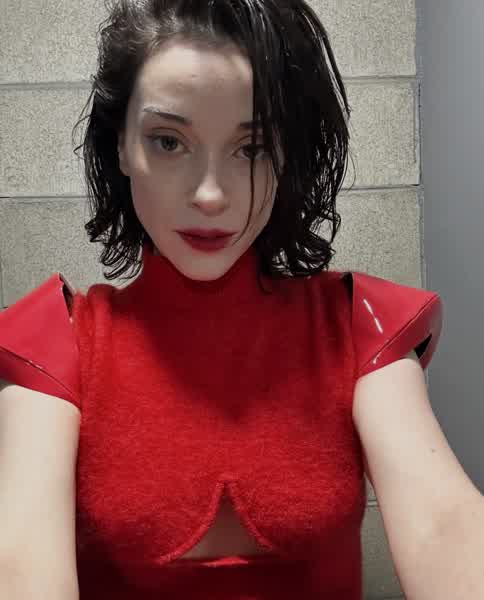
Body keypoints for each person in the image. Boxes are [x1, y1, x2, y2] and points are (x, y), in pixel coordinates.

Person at [5, 1, 480, 598]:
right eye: (168, 141)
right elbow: (18, 561)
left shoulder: (359, 326)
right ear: (121, 145)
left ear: (285, 156)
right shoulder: (58, 341)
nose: (210, 195)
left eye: (251, 149)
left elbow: (444, 526)